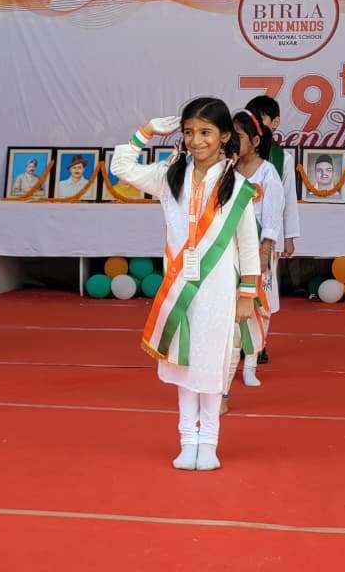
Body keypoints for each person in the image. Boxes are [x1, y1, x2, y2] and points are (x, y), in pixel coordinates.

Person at [111, 97, 262, 471]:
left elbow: (248, 244)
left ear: (224, 136)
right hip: (180, 286)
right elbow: (121, 168)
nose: (196, 141)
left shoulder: (237, 186)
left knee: (210, 365)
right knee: (183, 364)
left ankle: (209, 442)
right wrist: (145, 131)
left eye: (206, 132)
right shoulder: (170, 175)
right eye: (189, 132)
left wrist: (247, 293)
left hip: (218, 289)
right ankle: (186, 440)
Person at [227, 110, 284, 391]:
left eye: (238, 137)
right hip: (229, 250)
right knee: (229, 305)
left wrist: (264, 251)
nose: (233, 142)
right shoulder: (227, 170)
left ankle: (250, 364)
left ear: (255, 141)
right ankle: (227, 362)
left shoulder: (267, 172)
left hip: (257, 250)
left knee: (258, 308)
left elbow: (272, 216)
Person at [245, 96, 303, 366]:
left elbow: (288, 199)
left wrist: (289, 236)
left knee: (265, 291)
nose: (256, 123)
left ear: (275, 122)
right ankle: (240, 341)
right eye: (251, 118)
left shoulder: (283, 159)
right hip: (237, 235)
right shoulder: (238, 154)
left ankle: (259, 344)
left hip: (268, 238)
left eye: (262, 118)